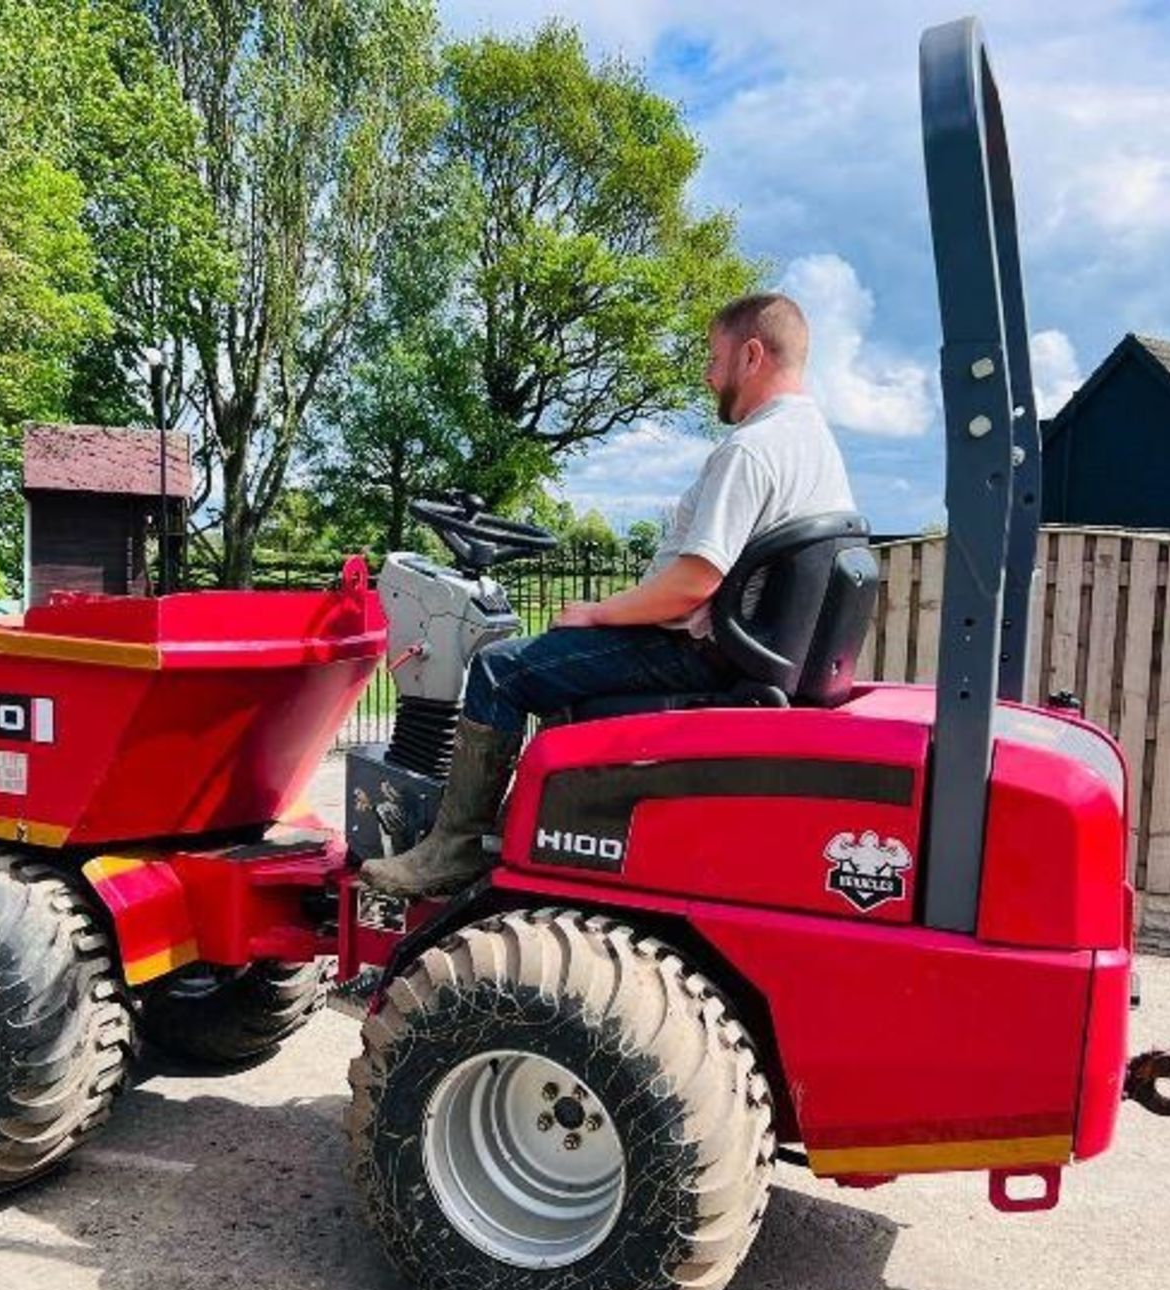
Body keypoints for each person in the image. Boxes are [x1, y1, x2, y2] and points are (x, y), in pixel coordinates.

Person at [360, 291, 857, 899]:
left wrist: (597, 612)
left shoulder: (751, 450)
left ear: (751, 355)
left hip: (692, 650)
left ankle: (452, 848)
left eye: (714, 356)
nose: (707, 373)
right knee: (552, 665)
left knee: (497, 670)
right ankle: (518, 824)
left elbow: (693, 583)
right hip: (739, 651)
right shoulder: (816, 445)